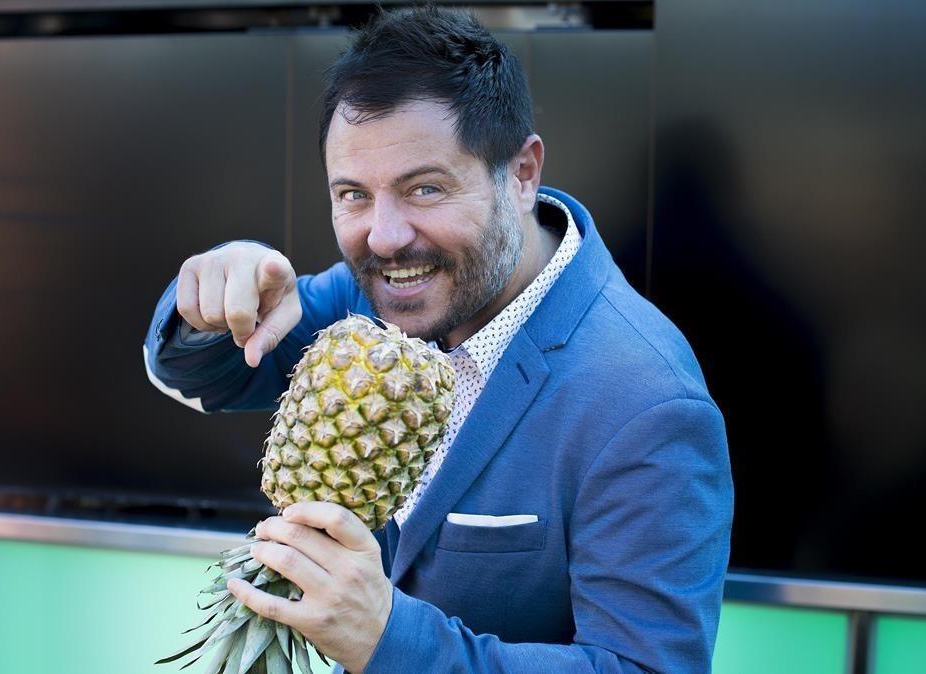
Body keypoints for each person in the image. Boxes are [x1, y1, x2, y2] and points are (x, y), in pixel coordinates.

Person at [144, 7, 733, 673]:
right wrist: (217, 293)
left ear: (521, 174)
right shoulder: (369, 298)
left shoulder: (647, 402)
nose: (385, 236)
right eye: (353, 195)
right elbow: (211, 374)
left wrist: (391, 640)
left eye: (424, 188)